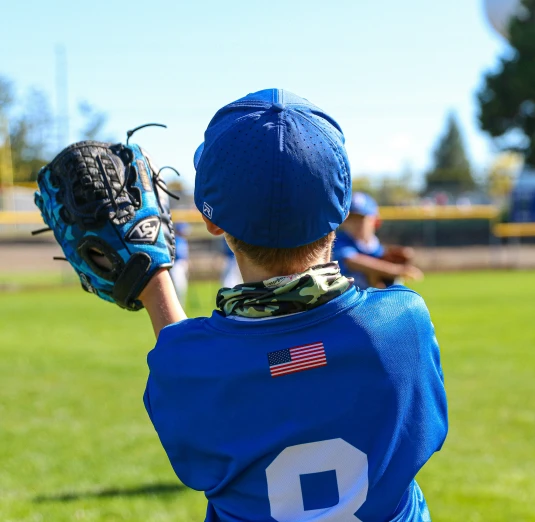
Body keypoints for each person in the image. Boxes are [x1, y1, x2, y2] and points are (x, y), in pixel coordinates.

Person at [139, 89, 447, 521]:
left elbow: (207, 370)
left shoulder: (185, 358)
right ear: (341, 209)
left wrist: (153, 282)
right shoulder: (403, 323)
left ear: (211, 220)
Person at [333, 192, 423, 289]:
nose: (356, 223)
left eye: (361, 218)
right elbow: (352, 260)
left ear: (376, 221)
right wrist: (393, 270)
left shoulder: (379, 250)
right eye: (351, 219)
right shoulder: (338, 241)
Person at [169, 222, 190, 304]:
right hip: (176, 265)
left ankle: (180, 304)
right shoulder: (175, 240)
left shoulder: (183, 240)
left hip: (182, 265)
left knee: (182, 287)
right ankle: (175, 304)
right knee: (178, 286)